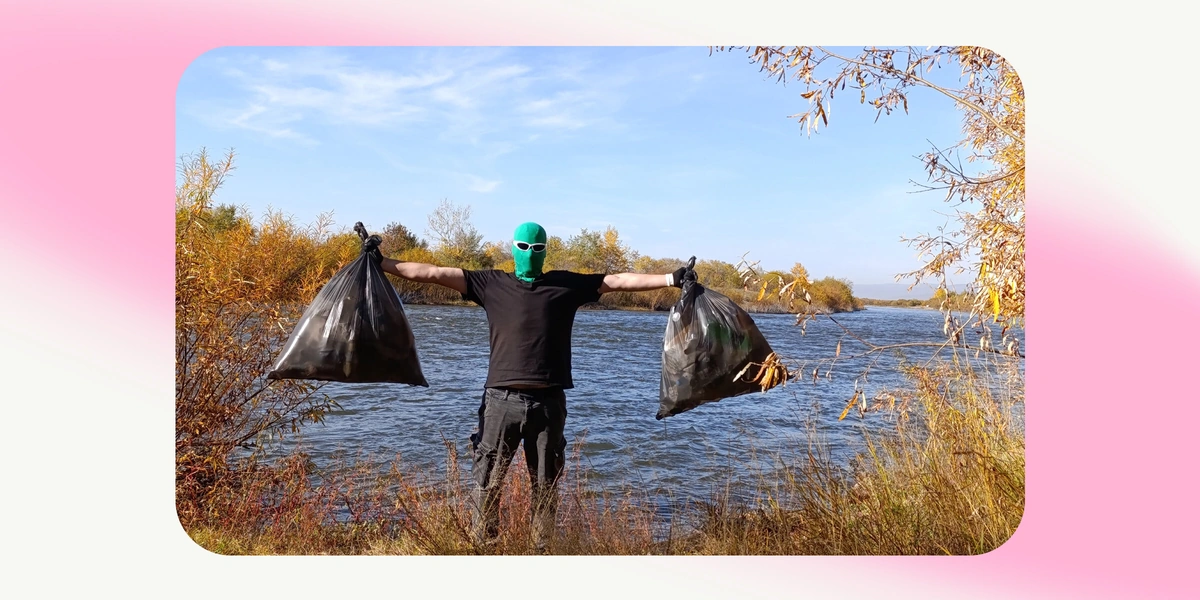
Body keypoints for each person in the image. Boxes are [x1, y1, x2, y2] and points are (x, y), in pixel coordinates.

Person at [374, 221, 691, 552]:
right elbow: (431, 272)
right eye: (523, 247)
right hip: (500, 402)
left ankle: (540, 557)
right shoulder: (489, 283)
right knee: (486, 487)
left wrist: (672, 279)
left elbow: (619, 281)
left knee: (544, 488)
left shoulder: (565, 285)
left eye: (537, 248)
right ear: (513, 249)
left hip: (548, 405)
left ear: (545, 252)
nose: (530, 254)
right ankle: (485, 552)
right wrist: (381, 262)